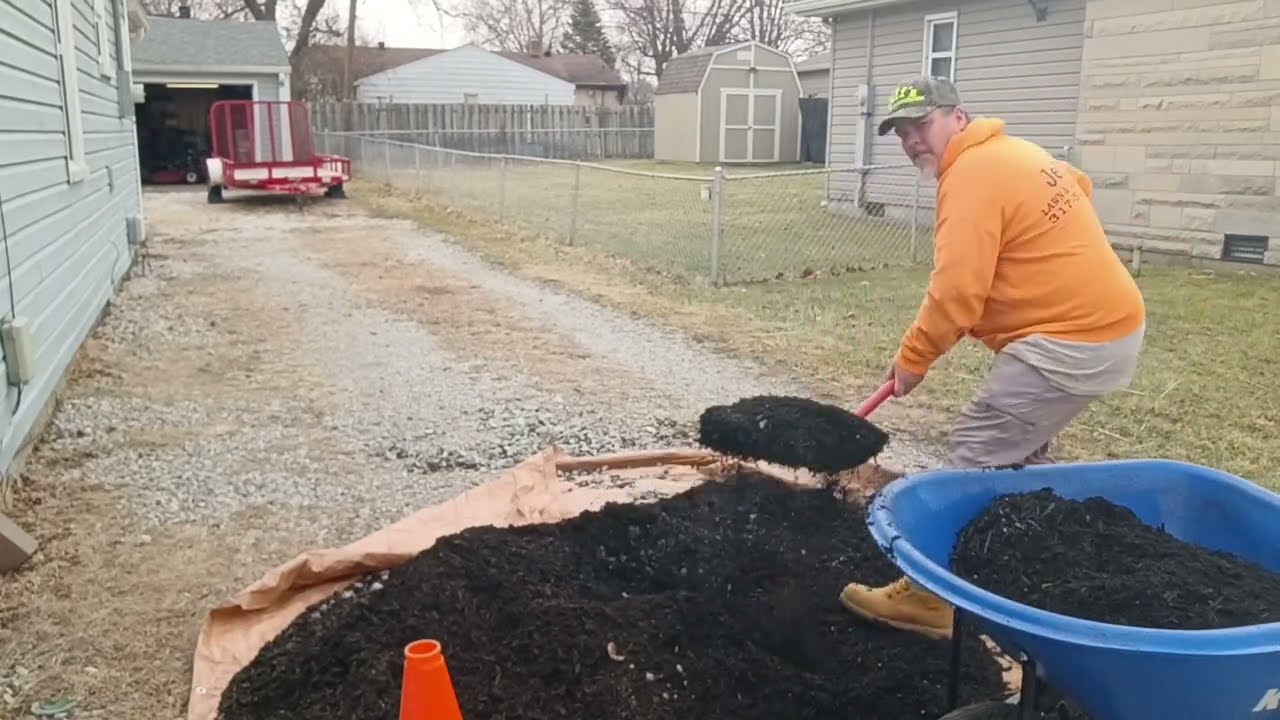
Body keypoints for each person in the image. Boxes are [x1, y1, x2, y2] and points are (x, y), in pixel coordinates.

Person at [838, 76, 1147, 640]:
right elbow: (1078, 186)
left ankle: (932, 596)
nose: (912, 141)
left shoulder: (972, 174)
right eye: (902, 132)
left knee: (977, 453)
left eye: (922, 125)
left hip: (1073, 339)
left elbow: (957, 289)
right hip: (1106, 327)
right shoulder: (1013, 151)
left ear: (958, 117)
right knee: (1020, 462)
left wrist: (914, 358)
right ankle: (1048, 560)